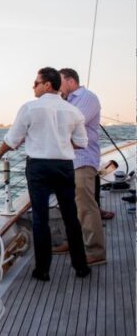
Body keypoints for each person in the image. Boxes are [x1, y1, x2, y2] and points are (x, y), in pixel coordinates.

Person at [0, 67, 90, 281]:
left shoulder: (29, 108)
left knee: (40, 218)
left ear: (47, 85)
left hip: (39, 168)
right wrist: (60, 141)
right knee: (71, 217)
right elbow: (82, 143)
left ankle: (42, 270)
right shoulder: (73, 111)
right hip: (64, 167)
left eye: (36, 83)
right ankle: (81, 267)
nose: (32, 87)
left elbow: (12, 139)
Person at [59, 67, 106, 265]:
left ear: (70, 81)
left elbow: (71, 124)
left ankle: (95, 251)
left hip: (82, 159)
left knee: (86, 206)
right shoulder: (64, 101)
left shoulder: (87, 97)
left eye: (59, 81)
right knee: (69, 205)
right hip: (66, 160)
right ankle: (73, 241)